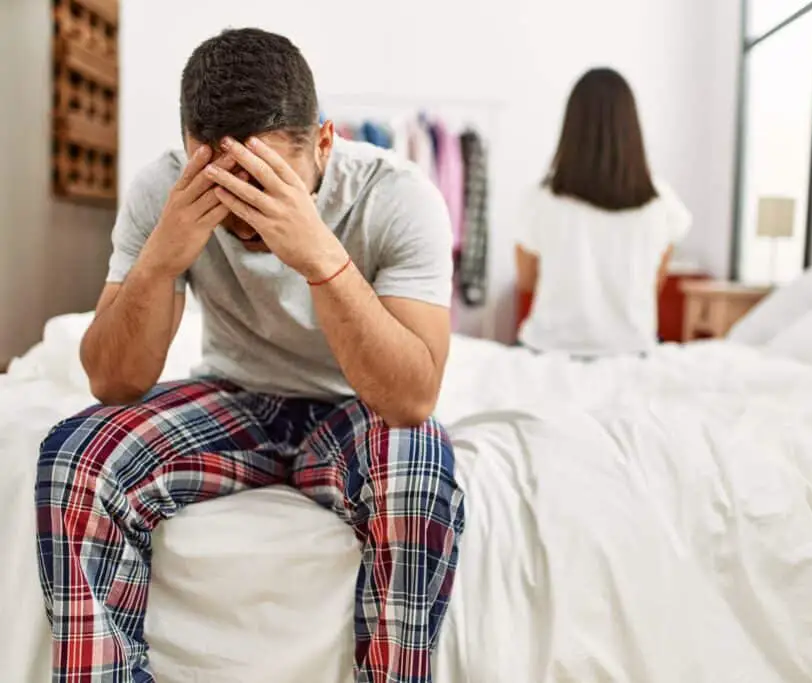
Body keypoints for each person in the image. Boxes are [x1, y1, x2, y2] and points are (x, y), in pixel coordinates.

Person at [35, 28, 464, 683]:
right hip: (235, 396)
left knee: (417, 460)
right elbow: (114, 378)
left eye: (265, 182)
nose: (242, 211)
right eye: (220, 182)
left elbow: (412, 397)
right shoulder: (163, 193)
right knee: (75, 459)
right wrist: (162, 256)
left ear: (323, 141)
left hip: (353, 406)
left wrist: (320, 255)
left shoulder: (398, 198)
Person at [515, 67, 693, 357]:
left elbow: (526, 280)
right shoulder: (661, 202)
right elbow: (655, 281)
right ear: (631, 126)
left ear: (572, 126)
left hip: (547, 349)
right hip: (632, 350)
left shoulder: (539, 198)